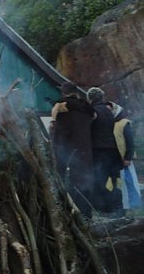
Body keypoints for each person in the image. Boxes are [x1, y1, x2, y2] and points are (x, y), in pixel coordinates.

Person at [50, 82, 95, 218]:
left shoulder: (60, 107)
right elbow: (94, 117)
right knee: (85, 181)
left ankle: (72, 214)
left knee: (67, 182)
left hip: (68, 152)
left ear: (64, 92)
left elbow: (57, 128)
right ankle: (87, 214)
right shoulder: (86, 108)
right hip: (85, 150)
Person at [87, 87, 124, 217]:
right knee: (114, 181)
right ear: (102, 97)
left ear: (90, 99)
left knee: (98, 181)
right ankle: (118, 208)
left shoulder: (94, 112)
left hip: (99, 151)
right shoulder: (113, 112)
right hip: (115, 151)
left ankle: (107, 208)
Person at [110, 101, 139, 213]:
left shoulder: (124, 123)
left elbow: (129, 141)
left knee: (129, 182)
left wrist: (128, 157)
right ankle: (125, 207)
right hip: (117, 159)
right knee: (120, 184)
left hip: (125, 159)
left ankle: (133, 206)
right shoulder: (113, 124)